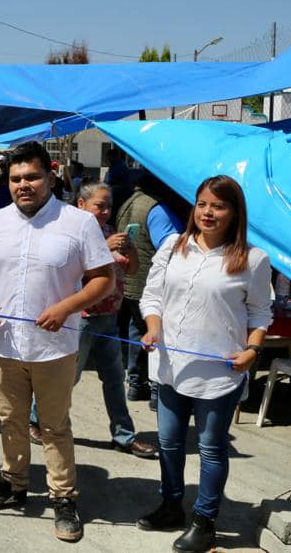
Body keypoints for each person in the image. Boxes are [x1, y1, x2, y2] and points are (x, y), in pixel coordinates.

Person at [0, 140, 114, 543]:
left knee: (53, 426)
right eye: (15, 178)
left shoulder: (78, 223)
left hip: (54, 349)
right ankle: (13, 485)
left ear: (49, 176)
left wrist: (66, 307)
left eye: (31, 176)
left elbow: (104, 279)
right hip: (4, 345)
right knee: (9, 420)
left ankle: (63, 497)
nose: (23, 185)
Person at [136, 175, 272, 552]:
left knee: (211, 448)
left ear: (234, 213)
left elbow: (261, 313)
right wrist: (152, 328)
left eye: (218, 206)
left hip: (219, 374)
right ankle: (170, 506)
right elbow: (152, 297)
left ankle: (205, 520)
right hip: (168, 367)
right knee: (169, 442)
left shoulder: (254, 259)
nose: (208, 213)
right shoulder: (171, 248)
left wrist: (252, 351)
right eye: (202, 204)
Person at [27, 183, 157, 459]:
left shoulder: (111, 233)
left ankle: (124, 436)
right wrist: (103, 248)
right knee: (67, 378)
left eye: (109, 206)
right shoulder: (71, 235)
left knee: (114, 379)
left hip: (109, 317)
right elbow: (71, 275)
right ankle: (36, 419)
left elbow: (131, 270)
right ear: (81, 205)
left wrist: (130, 249)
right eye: (100, 205)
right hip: (81, 318)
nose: (106, 212)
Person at [115, 172, 186, 410]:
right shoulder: (157, 209)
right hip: (151, 287)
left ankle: (136, 384)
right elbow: (172, 246)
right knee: (157, 337)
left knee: (138, 332)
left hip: (133, 283)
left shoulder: (129, 202)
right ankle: (157, 392)